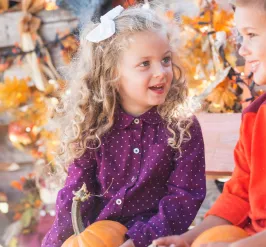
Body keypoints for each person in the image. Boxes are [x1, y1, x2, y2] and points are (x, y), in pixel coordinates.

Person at [41, 3, 206, 247]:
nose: (161, 72)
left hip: (155, 240)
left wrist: (138, 240)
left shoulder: (182, 128)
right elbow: (76, 196)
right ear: (112, 74)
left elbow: (183, 198)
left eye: (166, 60)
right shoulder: (93, 128)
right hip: (99, 238)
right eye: (145, 64)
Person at [152, 0, 266, 246]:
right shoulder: (255, 118)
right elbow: (238, 197)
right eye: (241, 36)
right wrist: (188, 239)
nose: (242, 50)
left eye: (252, 35)